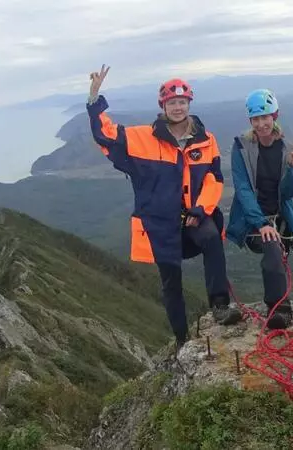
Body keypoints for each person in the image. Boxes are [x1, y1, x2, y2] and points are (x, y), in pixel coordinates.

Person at [85, 65, 243, 351]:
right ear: (163, 106)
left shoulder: (207, 141)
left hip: (194, 215)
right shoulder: (143, 138)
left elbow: (214, 177)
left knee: (211, 239)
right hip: (160, 223)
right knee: (171, 281)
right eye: (172, 102)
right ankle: (182, 339)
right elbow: (106, 136)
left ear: (189, 104)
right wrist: (95, 102)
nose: (178, 107)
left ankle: (220, 305)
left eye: (182, 102)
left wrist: (202, 208)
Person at [226, 89, 293, 329]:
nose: (261, 124)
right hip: (253, 219)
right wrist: (261, 223)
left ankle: (279, 301)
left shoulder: (286, 149)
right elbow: (243, 189)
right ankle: (278, 309)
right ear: (250, 121)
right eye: (256, 119)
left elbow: (289, 193)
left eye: (265, 117)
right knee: (272, 248)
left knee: (278, 257)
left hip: (280, 217)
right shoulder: (241, 148)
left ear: (275, 116)